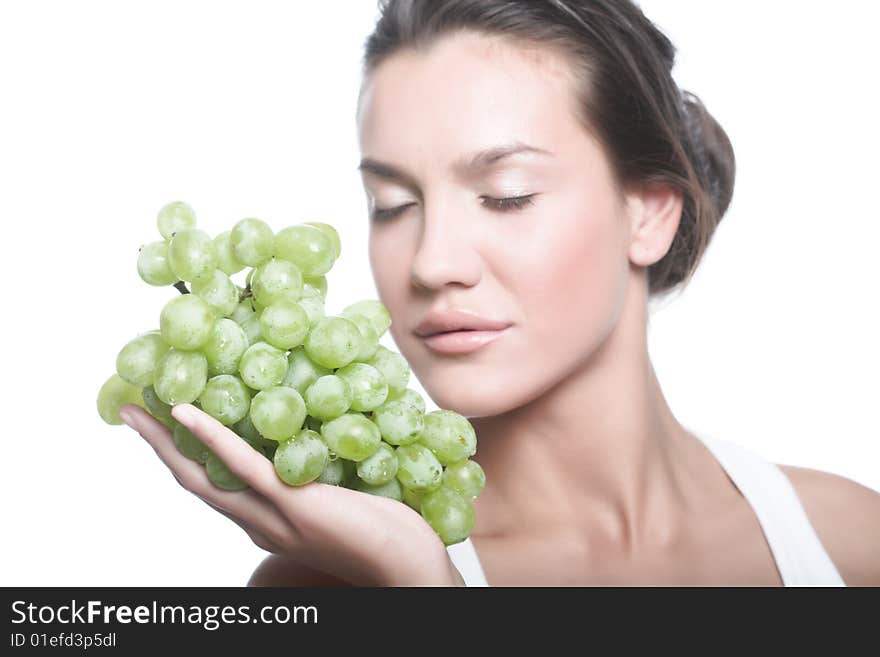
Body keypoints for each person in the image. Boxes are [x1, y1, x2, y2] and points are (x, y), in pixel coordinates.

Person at [120, 0, 880, 586]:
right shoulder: (333, 582)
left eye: (507, 194)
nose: (430, 262)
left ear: (647, 211)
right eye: (393, 204)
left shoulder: (850, 541)